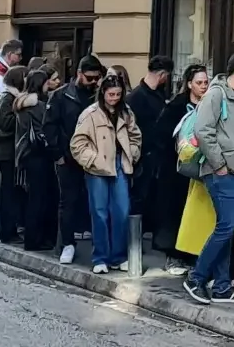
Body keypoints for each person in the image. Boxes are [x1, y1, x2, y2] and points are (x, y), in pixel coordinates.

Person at [185, 53, 234, 302]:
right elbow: (202, 130)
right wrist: (219, 165)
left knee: (227, 229)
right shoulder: (216, 94)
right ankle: (196, 278)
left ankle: (221, 287)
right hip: (222, 172)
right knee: (226, 227)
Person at [70, 68, 141, 272]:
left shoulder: (126, 112)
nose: (114, 98)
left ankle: (118, 256)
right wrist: (92, 160)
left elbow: (136, 136)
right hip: (97, 167)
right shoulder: (90, 114)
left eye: (118, 94)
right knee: (99, 212)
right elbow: (77, 143)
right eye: (111, 94)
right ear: (103, 93)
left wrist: (132, 153)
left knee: (122, 211)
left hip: (120, 163)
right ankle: (100, 257)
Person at [45, 53, 103, 262]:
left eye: (97, 78)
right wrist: (58, 155)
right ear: (79, 74)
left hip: (94, 157)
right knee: (68, 201)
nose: (93, 82)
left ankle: (100, 245)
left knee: (97, 202)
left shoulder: (99, 96)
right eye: (90, 78)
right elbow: (49, 126)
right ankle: (67, 244)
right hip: (68, 158)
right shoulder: (61, 96)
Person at [155, 60, 210, 259]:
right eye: (199, 83)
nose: (203, 86)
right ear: (189, 84)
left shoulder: (209, 106)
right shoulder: (176, 107)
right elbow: (161, 135)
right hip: (176, 169)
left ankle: (192, 255)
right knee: (175, 211)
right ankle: (173, 255)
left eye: (206, 82)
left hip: (200, 169)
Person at [15, 61, 61, 252]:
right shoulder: (39, 106)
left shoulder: (22, 104)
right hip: (39, 155)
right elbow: (46, 130)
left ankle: (32, 238)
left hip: (26, 155)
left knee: (34, 198)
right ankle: (36, 239)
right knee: (40, 199)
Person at [130, 54, 172, 234]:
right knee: (139, 198)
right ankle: (134, 237)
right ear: (162, 74)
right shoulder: (136, 97)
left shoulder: (159, 94)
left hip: (158, 156)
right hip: (143, 156)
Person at [0, 64, 27, 244]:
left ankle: (10, 229)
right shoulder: (8, 98)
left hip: (12, 152)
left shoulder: (14, 98)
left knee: (12, 193)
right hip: (7, 153)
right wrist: (22, 114)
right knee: (8, 193)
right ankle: (7, 232)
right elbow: (6, 122)